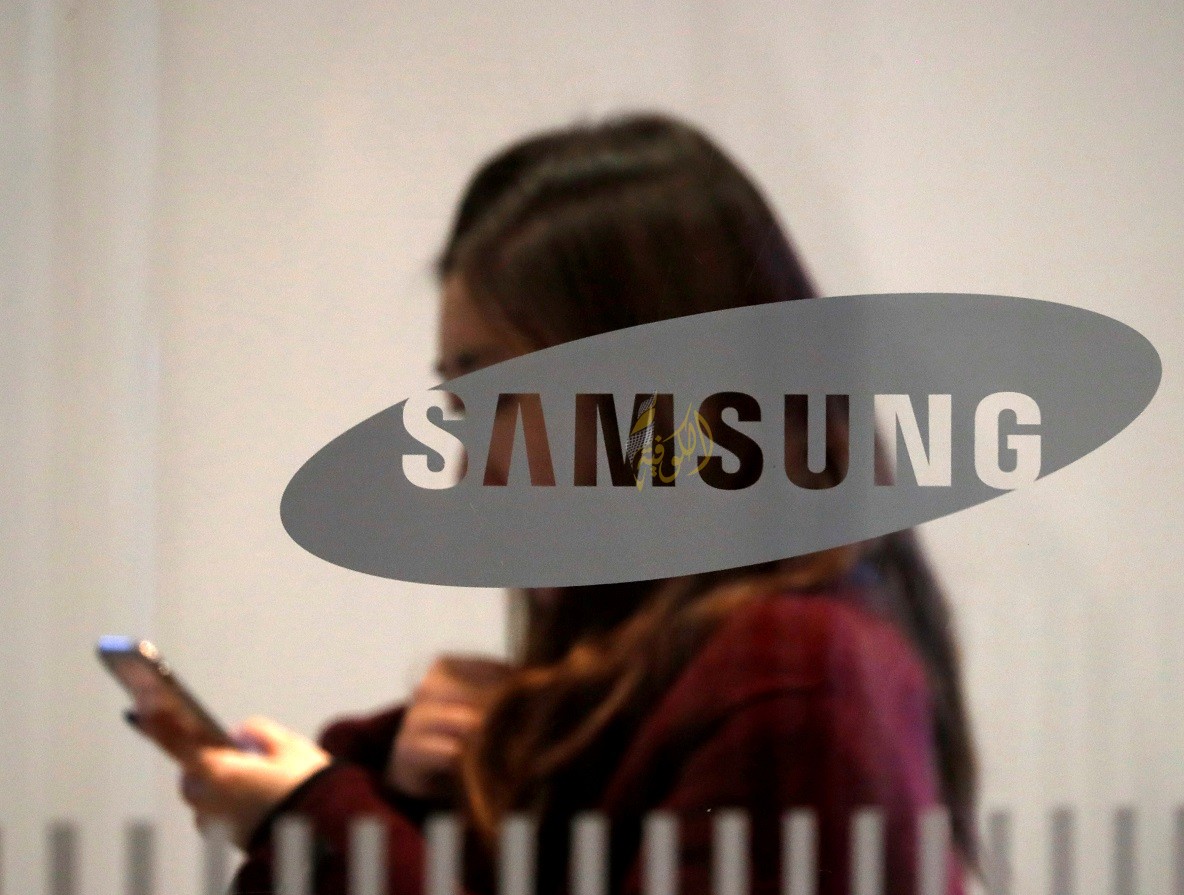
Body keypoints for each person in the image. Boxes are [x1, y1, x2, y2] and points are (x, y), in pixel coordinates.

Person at [136, 113, 978, 895]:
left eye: (502, 396)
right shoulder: (643, 675)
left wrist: (319, 825)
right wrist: (404, 786)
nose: (467, 464)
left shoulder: (793, 682)